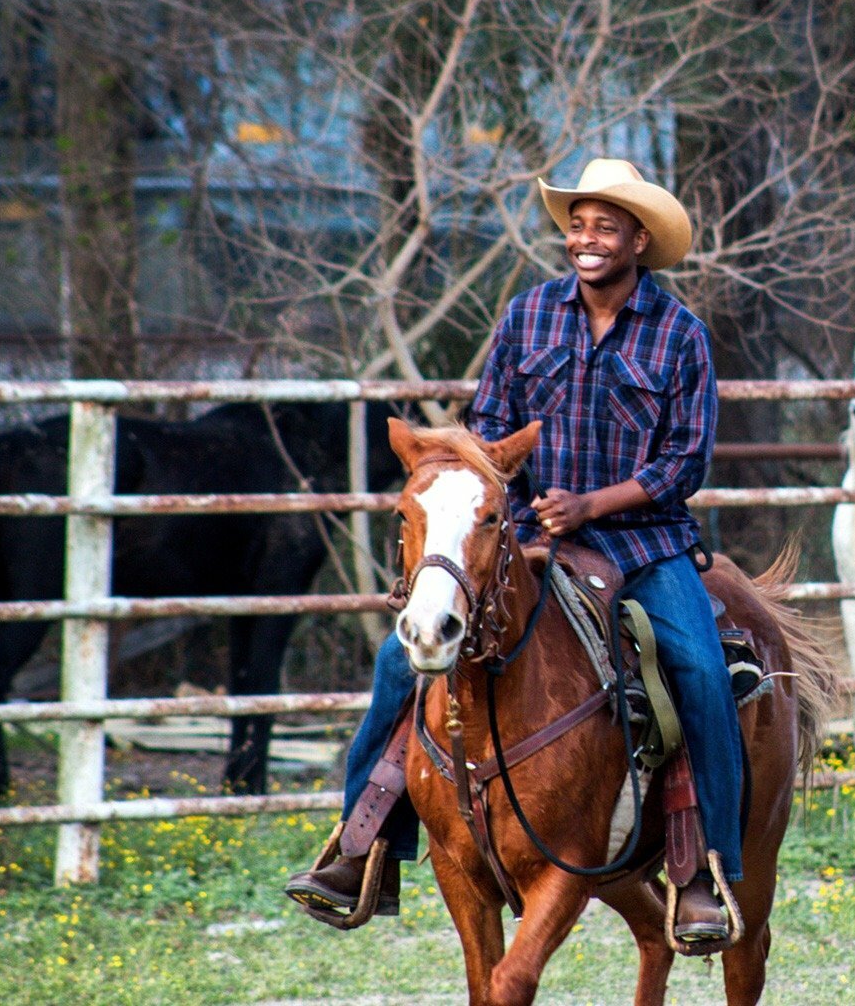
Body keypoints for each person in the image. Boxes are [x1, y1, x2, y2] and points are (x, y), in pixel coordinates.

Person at [284, 158, 746, 947]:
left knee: (701, 671)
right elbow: (488, 424)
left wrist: (591, 504)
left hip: (643, 541)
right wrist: (499, 493)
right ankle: (362, 849)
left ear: (640, 239)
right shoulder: (528, 315)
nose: (587, 239)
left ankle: (705, 872)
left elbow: (684, 462)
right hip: (525, 533)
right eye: (579, 224)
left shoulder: (681, 336)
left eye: (606, 226)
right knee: (403, 662)